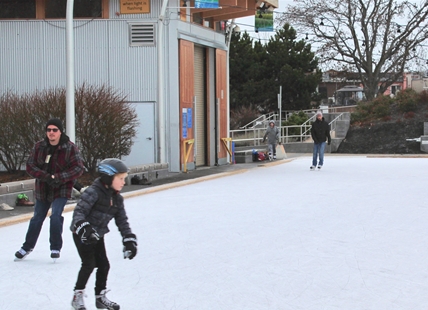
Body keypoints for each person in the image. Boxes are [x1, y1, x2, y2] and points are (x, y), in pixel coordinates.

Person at [70, 158, 137, 310]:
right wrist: (84, 227)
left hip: (98, 234)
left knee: (104, 265)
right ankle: (77, 296)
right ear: (108, 177)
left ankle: (100, 297)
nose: (123, 182)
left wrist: (129, 240)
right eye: (120, 179)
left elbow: (122, 221)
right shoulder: (93, 192)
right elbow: (79, 213)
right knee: (89, 264)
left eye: (124, 179)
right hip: (83, 234)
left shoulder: (117, 198)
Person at [14, 118, 84, 260]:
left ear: (60, 132)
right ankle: (26, 247)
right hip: (43, 187)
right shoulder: (39, 147)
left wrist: (59, 177)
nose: (51, 133)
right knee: (37, 218)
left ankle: (55, 248)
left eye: (54, 130)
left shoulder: (70, 148)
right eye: (49, 130)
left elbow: (78, 168)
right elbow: (30, 166)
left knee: (55, 216)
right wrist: (45, 176)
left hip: (62, 187)